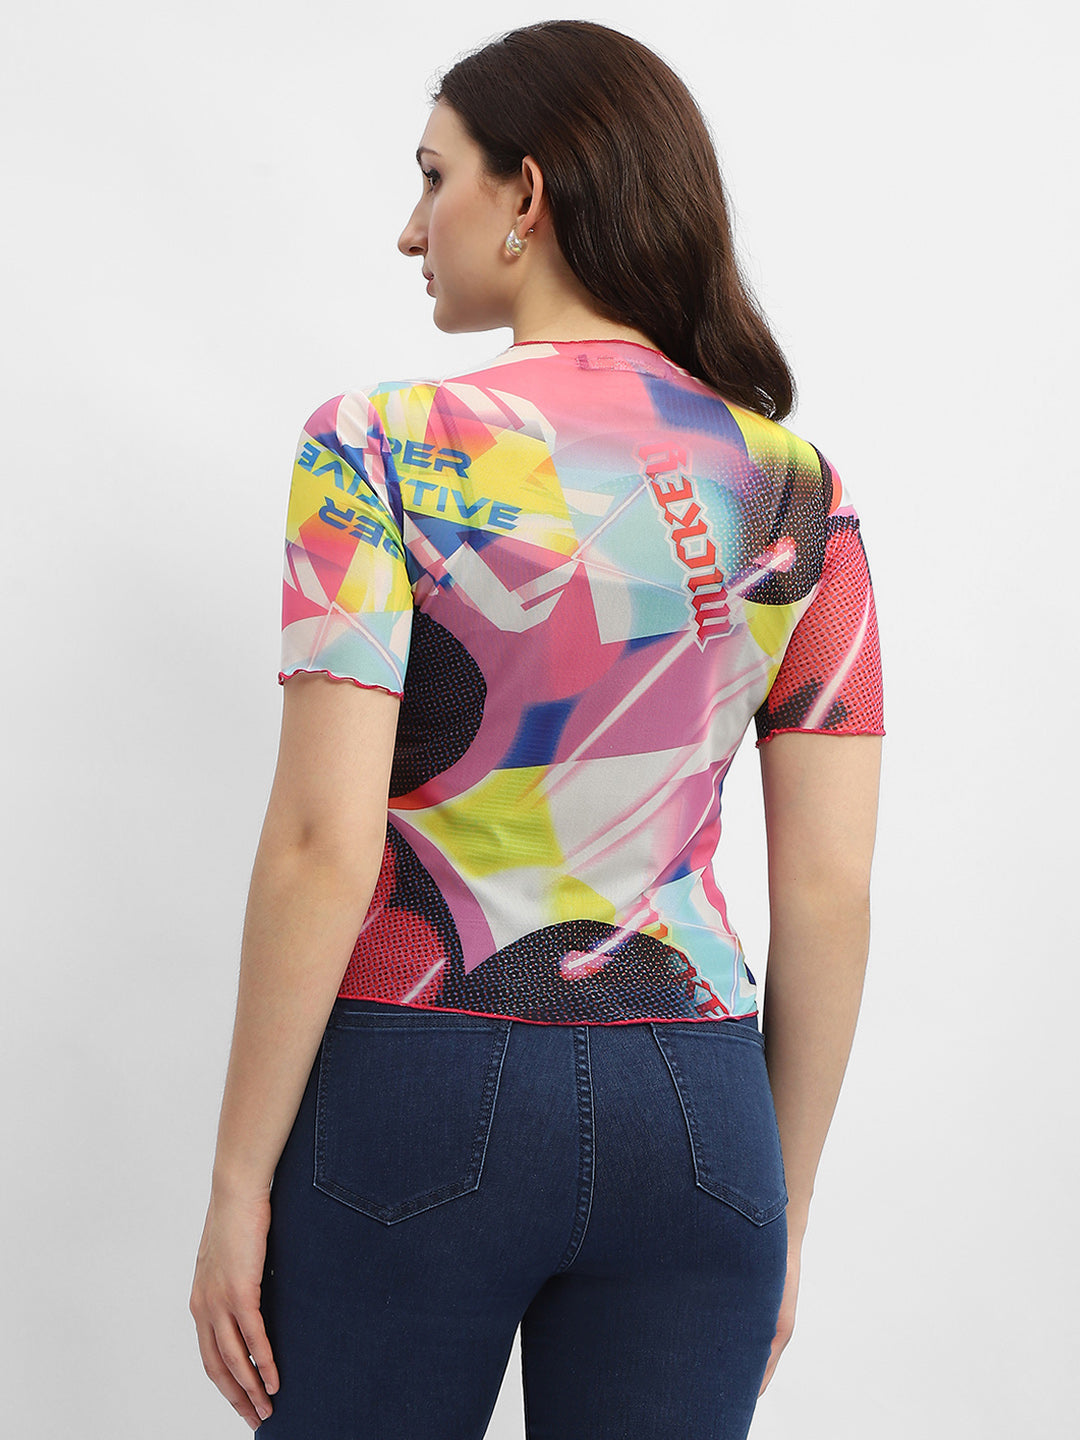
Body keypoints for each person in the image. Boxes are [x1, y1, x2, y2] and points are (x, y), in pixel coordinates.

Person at [189, 19, 884, 1439]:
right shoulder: (796, 492)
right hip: (699, 1116)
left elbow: (322, 842)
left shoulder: (377, 447)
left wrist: (237, 1183)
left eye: (433, 176)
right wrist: (783, 1204)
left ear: (528, 193)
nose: (410, 229)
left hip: (419, 1080)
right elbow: (828, 887)